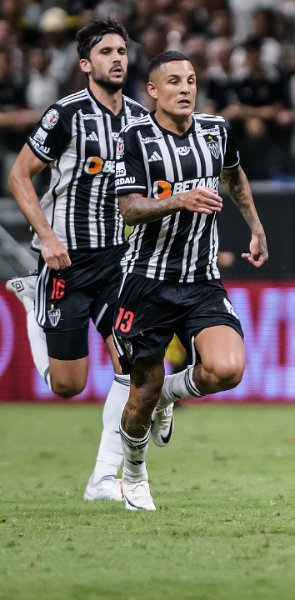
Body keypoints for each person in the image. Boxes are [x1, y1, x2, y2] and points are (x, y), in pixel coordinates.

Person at [113, 50, 269, 510]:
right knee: (141, 391)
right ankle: (135, 473)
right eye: (174, 82)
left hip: (202, 279)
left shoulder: (216, 130)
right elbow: (129, 207)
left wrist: (256, 227)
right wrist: (178, 200)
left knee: (229, 369)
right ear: (153, 92)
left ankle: (170, 395)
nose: (185, 89)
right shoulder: (135, 138)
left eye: (191, 80)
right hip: (146, 281)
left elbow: (234, 176)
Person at [4, 18, 147, 503]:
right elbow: (20, 176)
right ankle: (31, 304)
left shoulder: (141, 121)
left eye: (122, 51)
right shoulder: (64, 114)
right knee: (68, 385)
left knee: (133, 369)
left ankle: (104, 478)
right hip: (66, 258)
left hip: (120, 261)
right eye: (106, 52)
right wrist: (45, 238)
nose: (117, 59)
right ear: (86, 64)